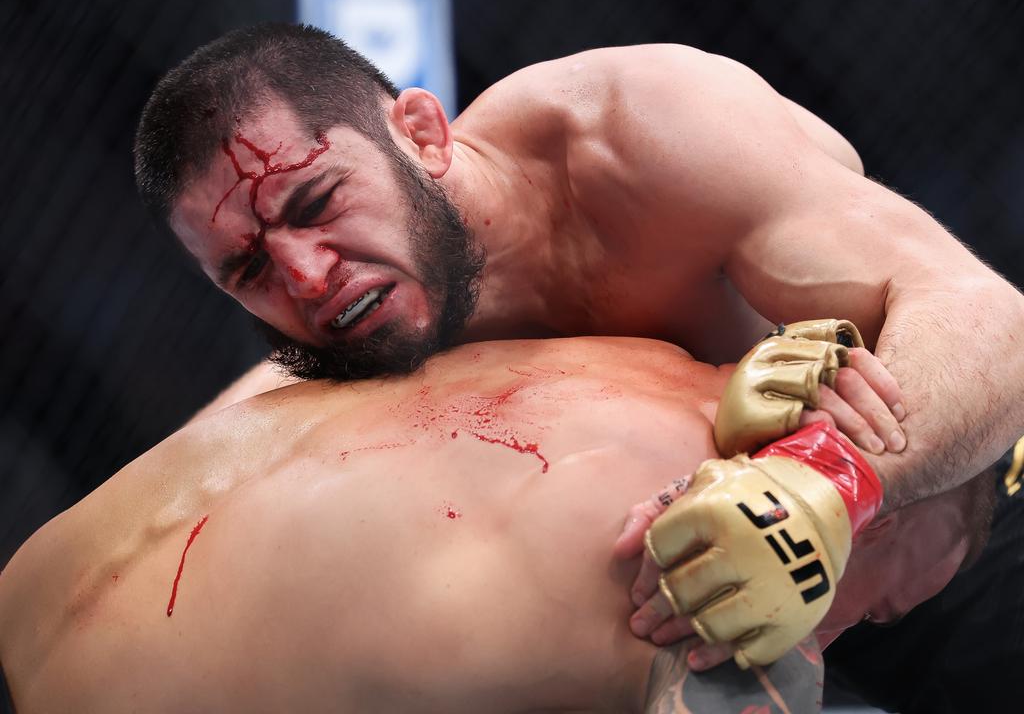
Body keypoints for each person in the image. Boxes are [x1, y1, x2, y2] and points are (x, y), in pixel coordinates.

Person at [133, 23, 1024, 662]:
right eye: (248, 270)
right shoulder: (345, 355)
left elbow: (989, 315)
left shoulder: (647, 135)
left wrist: (809, 482)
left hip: (961, 507)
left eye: (319, 203)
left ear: (422, 133)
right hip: (702, 624)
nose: (307, 279)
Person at [0, 336, 993, 713]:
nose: (851, 627)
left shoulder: (618, 333)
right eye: (884, 607)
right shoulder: (715, 649)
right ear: (873, 525)